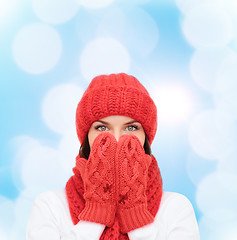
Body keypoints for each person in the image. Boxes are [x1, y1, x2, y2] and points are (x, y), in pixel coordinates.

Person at [26, 73, 200, 240]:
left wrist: (135, 214)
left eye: (131, 128)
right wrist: (96, 213)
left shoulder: (176, 208)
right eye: (102, 128)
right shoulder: (51, 206)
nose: (116, 139)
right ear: (86, 136)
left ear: (146, 137)